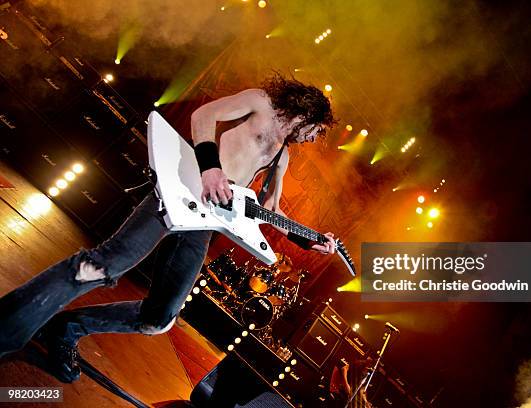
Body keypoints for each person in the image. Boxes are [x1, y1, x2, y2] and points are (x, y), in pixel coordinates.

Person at [0, 73, 338, 383]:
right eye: (316, 131)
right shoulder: (260, 102)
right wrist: (210, 169)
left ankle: (67, 328)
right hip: (182, 189)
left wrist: (310, 241)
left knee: (159, 317)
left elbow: (270, 211)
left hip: (205, 220)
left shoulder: (284, 156)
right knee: (102, 265)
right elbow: (203, 117)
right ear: (306, 114)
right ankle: (6, 328)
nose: (312, 139)